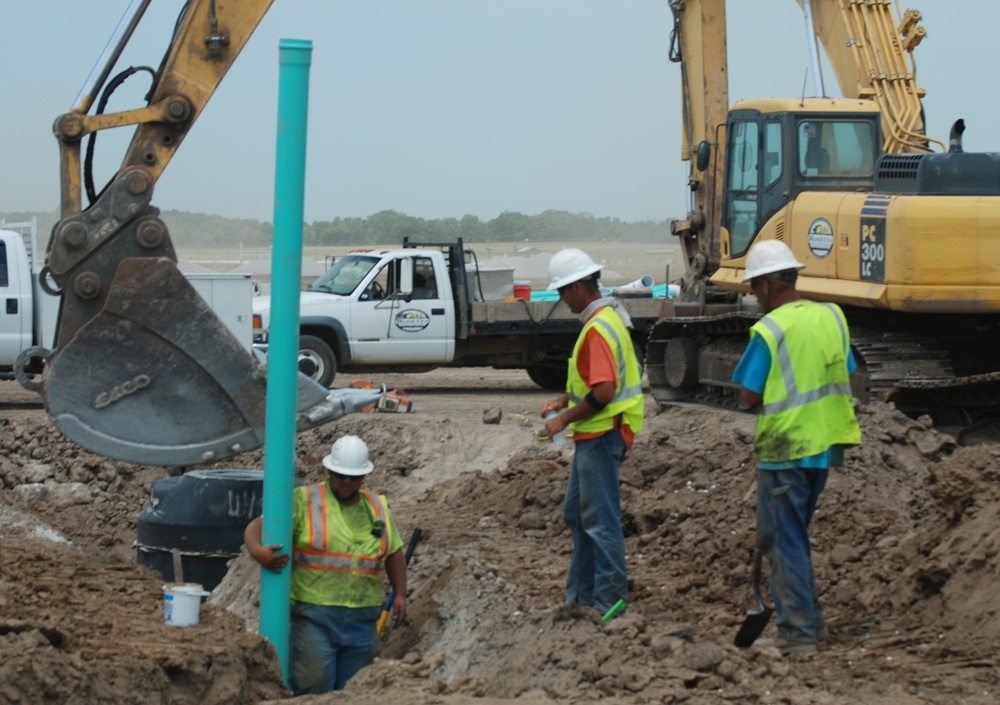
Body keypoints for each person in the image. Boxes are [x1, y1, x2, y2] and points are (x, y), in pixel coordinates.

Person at [732, 239, 861, 656]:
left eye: (755, 288)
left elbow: (749, 394)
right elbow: (848, 368)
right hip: (826, 444)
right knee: (795, 536)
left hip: (786, 446)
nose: (755, 296)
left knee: (782, 541)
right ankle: (813, 621)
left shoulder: (770, 329)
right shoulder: (832, 317)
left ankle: (796, 634)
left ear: (769, 284)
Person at [244, 435, 407, 694]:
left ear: (363, 477)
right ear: (329, 471)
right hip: (314, 618)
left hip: (362, 620)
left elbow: (394, 551)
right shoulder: (304, 500)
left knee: (356, 692)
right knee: (313, 687)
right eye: (341, 475)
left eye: (353, 478)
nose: (346, 482)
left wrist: (400, 593)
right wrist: (257, 551)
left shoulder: (376, 507)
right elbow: (257, 526)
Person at [541, 248, 645, 619]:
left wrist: (565, 418)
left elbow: (604, 392)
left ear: (578, 288)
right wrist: (563, 400)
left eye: (562, 292)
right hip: (599, 435)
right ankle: (581, 599)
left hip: (602, 435)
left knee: (600, 520)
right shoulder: (608, 317)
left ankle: (610, 602)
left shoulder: (598, 328)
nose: (561, 299)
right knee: (578, 514)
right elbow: (592, 381)